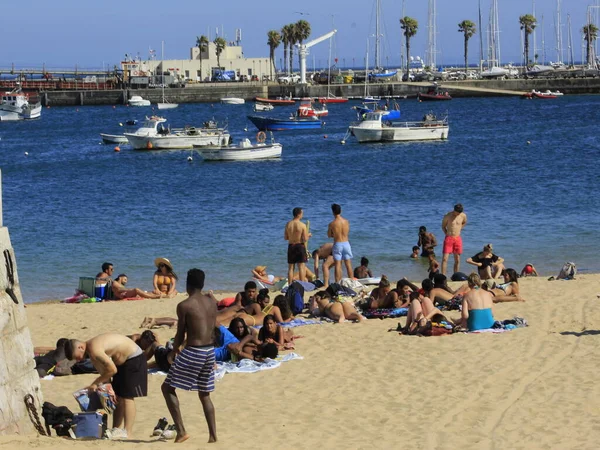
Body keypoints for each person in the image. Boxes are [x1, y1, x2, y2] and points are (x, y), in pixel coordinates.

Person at [161, 268, 217, 444]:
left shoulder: (184, 305)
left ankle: (181, 431)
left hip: (195, 351)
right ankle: (213, 436)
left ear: (187, 284)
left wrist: (173, 350)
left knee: (167, 388)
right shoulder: (212, 302)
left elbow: (180, 333)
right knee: (204, 394)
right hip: (210, 351)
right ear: (202, 284)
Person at [64, 333, 148, 439]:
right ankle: (116, 429)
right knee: (117, 396)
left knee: (127, 397)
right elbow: (105, 375)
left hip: (133, 359)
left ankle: (128, 432)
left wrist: (94, 383)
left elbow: (112, 370)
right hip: (122, 363)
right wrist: (106, 390)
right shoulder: (92, 354)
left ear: (80, 347)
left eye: (77, 357)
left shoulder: (94, 349)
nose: (78, 360)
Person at [327, 203, 353, 283]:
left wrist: (333, 234)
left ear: (333, 212)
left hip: (338, 243)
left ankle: (338, 283)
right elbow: (347, 232)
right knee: (348, 264)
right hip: (346, 243)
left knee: (338, 265)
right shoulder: (346, 221)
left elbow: (329, 235)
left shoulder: (332, 224)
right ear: (340, 211)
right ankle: (352, 282)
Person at [284, 207, 311, 283]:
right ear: (299, 214)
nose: (302, 215)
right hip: (299, 246)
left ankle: (290, 285)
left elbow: (286, 237)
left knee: (291, 268)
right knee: (301, 267)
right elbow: (305, 239)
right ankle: (302, 284)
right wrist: (308, 235)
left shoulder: (288, 224)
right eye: (302, 213)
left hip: (291, 246)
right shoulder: (302, 225)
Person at [441, 204, 468, 276]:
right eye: (457, 213)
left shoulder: (463, 215)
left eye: (459, 213)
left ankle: (456, 275)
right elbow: (443, 226)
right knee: (445, 259)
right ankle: (443, 276)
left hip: (457, 238)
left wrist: (460, 228)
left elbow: (465, 222)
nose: (458, 214)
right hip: (449, 238)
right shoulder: (448, 216)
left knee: (457, 260)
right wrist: (446, 234)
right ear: (454, 210)